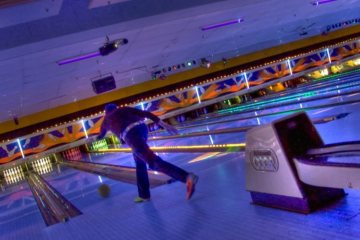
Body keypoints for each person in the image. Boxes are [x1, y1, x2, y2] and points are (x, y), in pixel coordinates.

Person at [96, 103, 198, 202]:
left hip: (131, 135)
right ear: (116, 107)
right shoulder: (124, 109)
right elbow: (146, 114)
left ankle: (187, 177)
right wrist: (164, 124)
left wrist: (96, 138)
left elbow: (101, 135)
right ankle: (144, 195)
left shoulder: (106, 119)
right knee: (140, 163)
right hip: (142, 129)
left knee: (153, 163)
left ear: (106, 112)